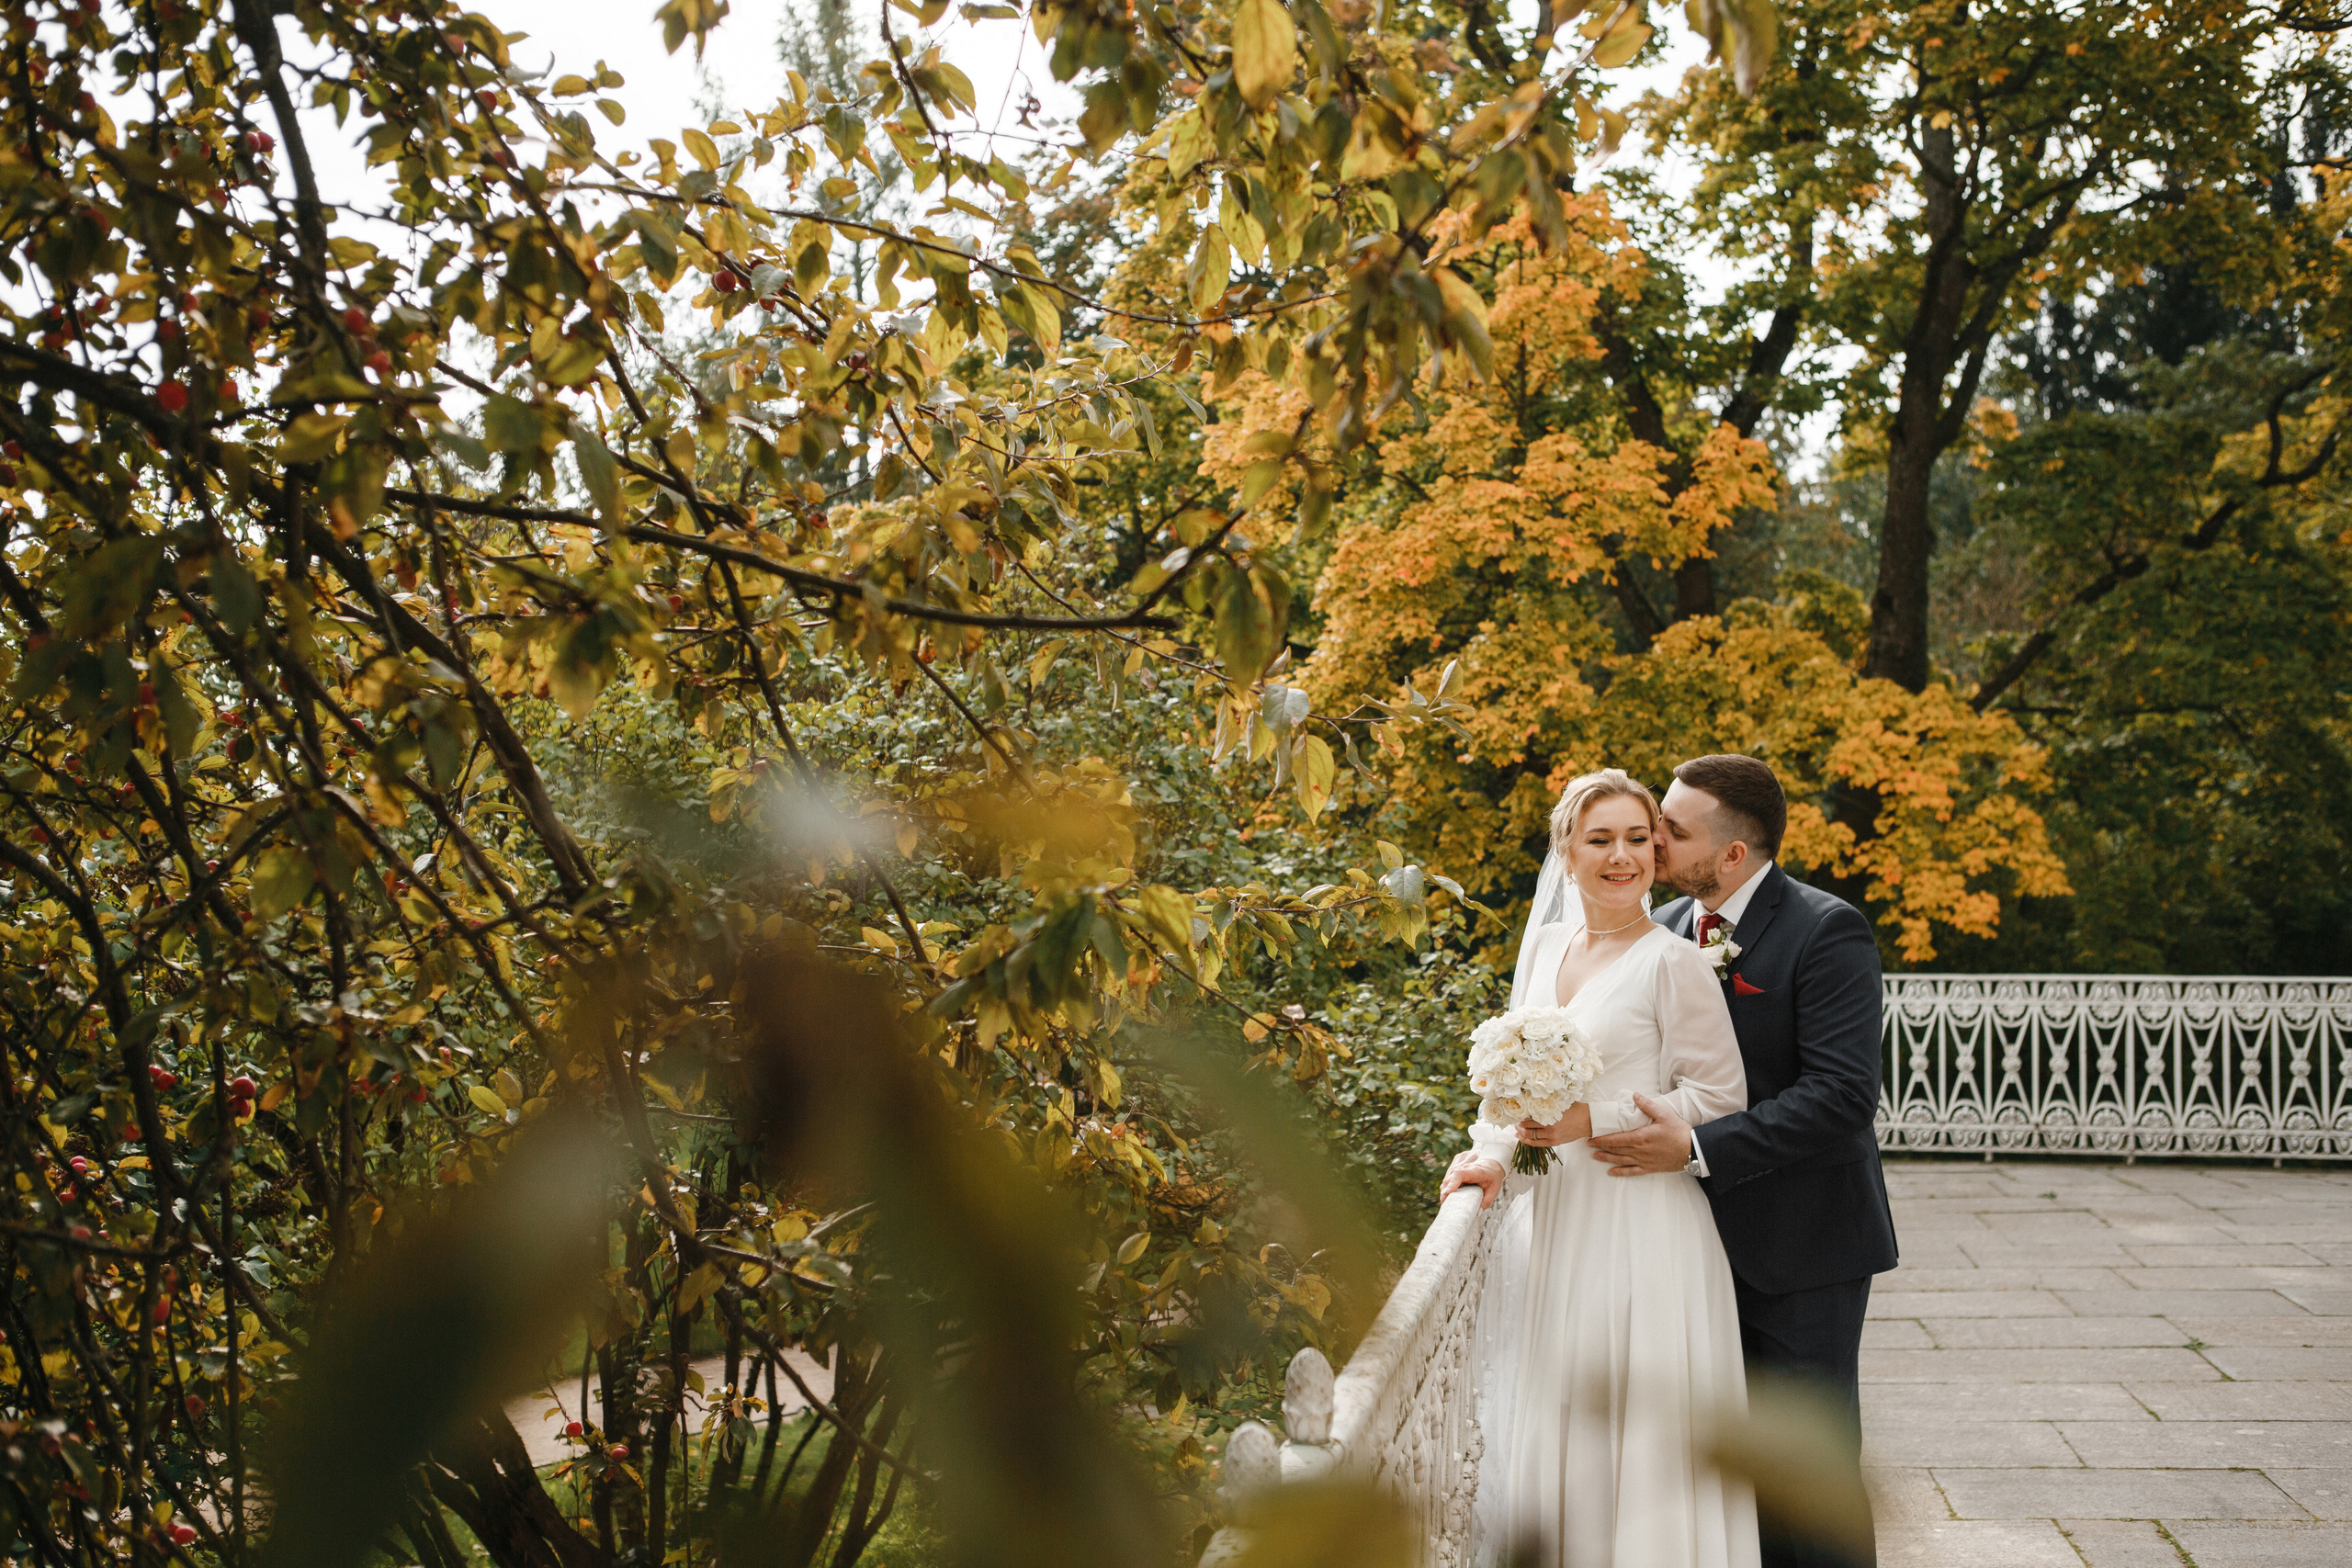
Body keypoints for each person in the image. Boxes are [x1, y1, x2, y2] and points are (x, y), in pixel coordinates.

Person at [1585, 754, 1899, 1568]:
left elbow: (1839, 1098)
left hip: (1802, 1247)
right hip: (1689, 1246)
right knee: (1727, 1483)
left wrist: (1694, 1146)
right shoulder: (1667, 929)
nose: (1652, 841)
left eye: (1672, 830)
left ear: (1732, 854)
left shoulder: (1827, 930)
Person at [1440, 769, 1758, 1568]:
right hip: (1558, 1221)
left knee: (1642, 1432)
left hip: (1641, 1221)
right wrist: (1490, 1154)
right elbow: (1510, 1087)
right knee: (1567, 1418)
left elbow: (1721, 1095)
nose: (1624, 857)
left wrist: (1596, 1119)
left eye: (1637, 838)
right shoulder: (1546, 946)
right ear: (1566, 852)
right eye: (1601, 839)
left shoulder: (1674, 962)